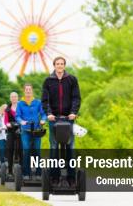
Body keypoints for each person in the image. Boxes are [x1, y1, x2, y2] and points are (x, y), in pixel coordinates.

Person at [41, 56, 81, 187]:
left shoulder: (72, 80)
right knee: (53, 147)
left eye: (62, 64)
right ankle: (54, 177)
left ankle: (71, 177)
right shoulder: (48, 81)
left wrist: (73, 113)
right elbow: (45, 100)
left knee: (70, 147)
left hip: (68, 119)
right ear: (54, 65)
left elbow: (76, 98)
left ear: (64, 65)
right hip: (54, 119)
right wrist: (49, 113)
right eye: (57, 64)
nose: (59, 66)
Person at [16, 84, 47, 181]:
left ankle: (38, 173)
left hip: (36, 130)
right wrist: (21, 121)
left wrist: (43, 120)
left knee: (37, 151)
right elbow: (17, 116)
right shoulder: (20, 103)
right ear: (24, 91)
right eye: (26, 90)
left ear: (32, 91)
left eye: (30, 89)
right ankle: (26, 173)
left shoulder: (37, 102)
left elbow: (43, 114)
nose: (28, 91)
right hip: (25, 130)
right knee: (26, 151)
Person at [4, 92, 22, 177]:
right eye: (12, 97)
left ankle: (22, 169)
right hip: (11, 130)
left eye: (15, 97)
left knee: (21, 149)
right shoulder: (7, 109)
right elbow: (6, 121)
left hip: (20, 130)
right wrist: (8, 125)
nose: (14, 98)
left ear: (17, 98)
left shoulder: (21, 107)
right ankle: (10, 171)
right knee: (9, 149)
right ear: (10, 98)